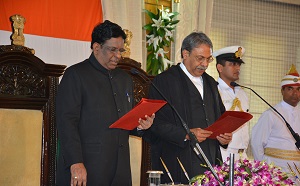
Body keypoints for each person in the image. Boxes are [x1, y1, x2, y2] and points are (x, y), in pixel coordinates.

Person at [56, 20, 155, 186]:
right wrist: (75, 162)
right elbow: (66, 123)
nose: (118, 55)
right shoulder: (75, 75)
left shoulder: (125, 79)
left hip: (120, 168)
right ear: (96, 48)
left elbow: (126, 120)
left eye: (120, 50)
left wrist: (141, 125)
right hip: (88, 167)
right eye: (112, 50)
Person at [144, 32, 232, 184]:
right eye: (200, 58)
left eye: (208, 59)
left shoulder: (211, 83)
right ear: (185, 54)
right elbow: (155, 123)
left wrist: (224, 136)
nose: (205, 64)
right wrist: (186, 134)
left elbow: (220, 117)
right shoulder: (164, 81)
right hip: (179, 159)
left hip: (211, 160)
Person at [251, 64, 300, 174]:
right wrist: (263, 169)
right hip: (274, 172)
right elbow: (256, 142)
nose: (295, 93)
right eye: (290, 89)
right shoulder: (271, 114)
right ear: (282, 91)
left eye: (298, 89)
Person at [213, 46, 250, 161]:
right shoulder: (214, 91)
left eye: (238, 64)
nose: (237, 68)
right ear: (220, 67)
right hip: (224, 153)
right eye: (232, 64)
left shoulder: (242, 92)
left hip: (243, 155)